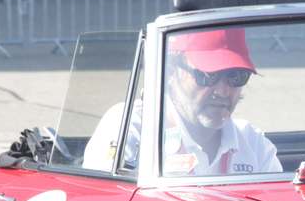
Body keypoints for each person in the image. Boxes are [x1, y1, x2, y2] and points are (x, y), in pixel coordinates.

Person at [81, 27, 280, 176]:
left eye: (236, 76)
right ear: (170, 71)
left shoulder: (253, 144)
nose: (222, 91)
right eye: (207, 75)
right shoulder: (130, 128)